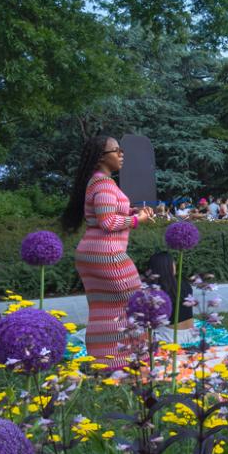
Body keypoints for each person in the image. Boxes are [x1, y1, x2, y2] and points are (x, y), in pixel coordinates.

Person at [62, 135, 153, 367]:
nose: (122, 154)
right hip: (108, 255)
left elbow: (107, 212)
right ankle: (131, 358)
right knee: (134, 303)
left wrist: (132, 211)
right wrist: (137, 220)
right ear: (101, 157)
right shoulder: (103, 184)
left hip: (92, 253)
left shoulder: (96, 182)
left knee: (103, 309)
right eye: (117, 150)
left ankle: (103, 361)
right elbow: (107, 222)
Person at [144, 251, 195, 336]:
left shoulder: (153, 290)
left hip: (170, 337)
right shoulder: (184, 283)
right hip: (191, 334)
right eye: (173, 263)